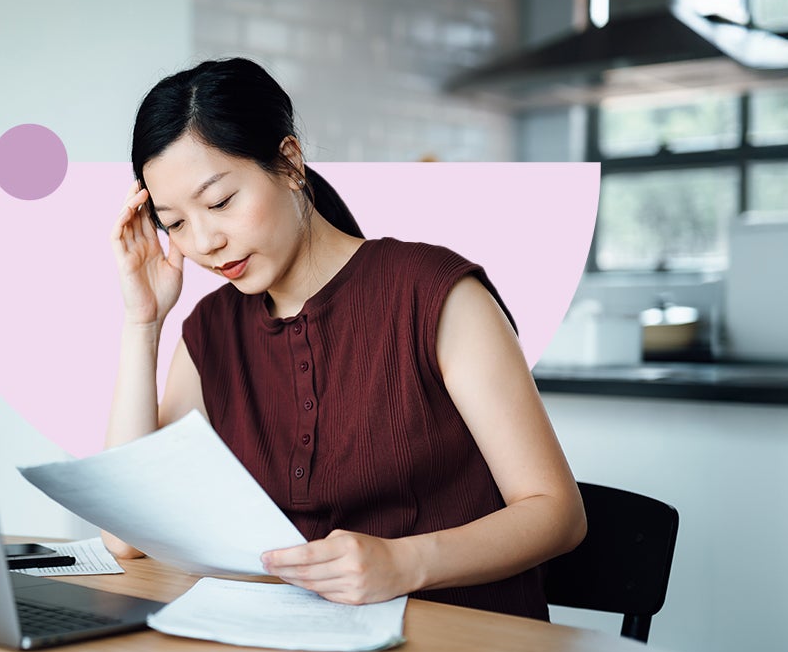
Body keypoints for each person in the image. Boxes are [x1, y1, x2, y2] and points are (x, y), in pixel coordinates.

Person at [102, 57, 585, 620]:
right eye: (175, 224)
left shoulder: (432, 294)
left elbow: (557, 513)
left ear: (288, 163)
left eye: (220, 202)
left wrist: (404, 563)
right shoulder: (210, 330)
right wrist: (144, 323)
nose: (205, 241)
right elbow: (125, 536)